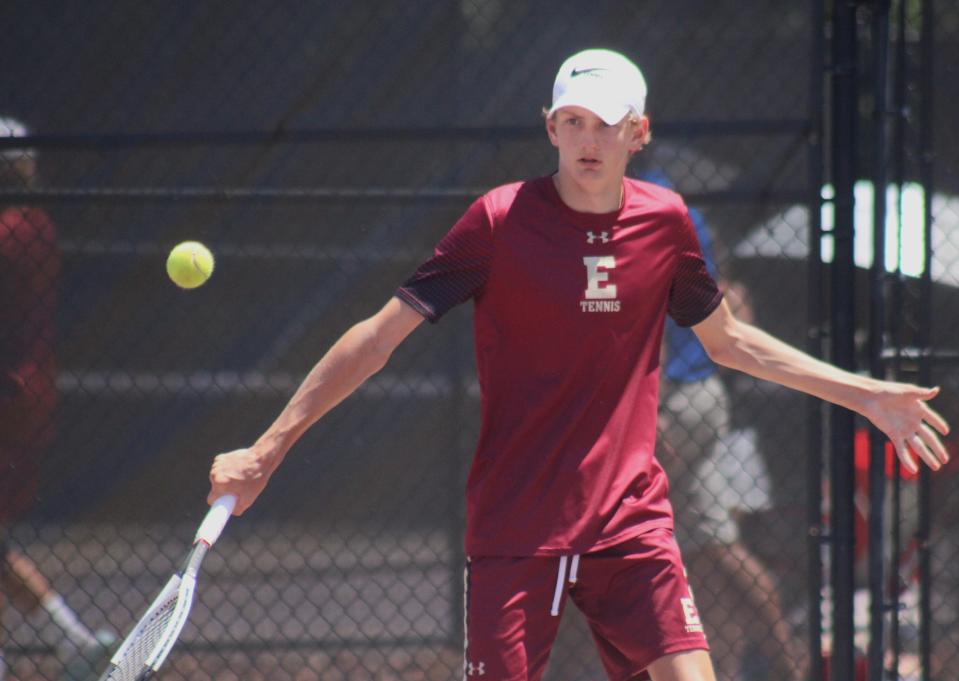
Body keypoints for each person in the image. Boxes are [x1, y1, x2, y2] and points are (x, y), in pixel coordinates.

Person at [206, 49, 951, 681]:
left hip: (630, 518)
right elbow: (376, 338)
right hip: (514, 523)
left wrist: (865, 394)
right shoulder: (496, 222)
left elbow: (729, 340)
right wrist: (269, 446)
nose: (587, 140)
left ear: (639, 132)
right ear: (550, 127)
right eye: (572, 122)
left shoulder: (665, 222)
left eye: (604, 124)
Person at [0, 116, 114, 681]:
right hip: (32, 390)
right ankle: (69, 640)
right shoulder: (38, 224)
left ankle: (69, 641)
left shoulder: (13, 230)